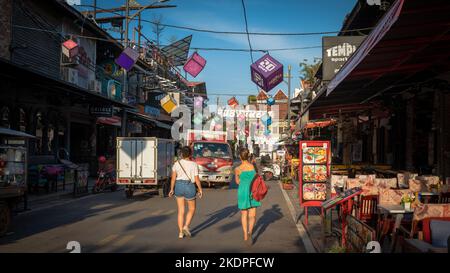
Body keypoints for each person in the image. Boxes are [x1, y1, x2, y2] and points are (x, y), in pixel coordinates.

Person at [169, 146, 203, 239]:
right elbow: (196, 179)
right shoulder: (194, 164)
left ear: (181, 154)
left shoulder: (176, 164)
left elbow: (173, 179)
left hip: (178, 186)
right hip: (189, 186)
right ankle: (186, 226)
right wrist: (200, 189)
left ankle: (180, 233)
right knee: (192, 209)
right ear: (190, 154)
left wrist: (171, 189)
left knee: (181, 211)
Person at [234, 148, 261, 246]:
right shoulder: (253, 166)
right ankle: (250, 232)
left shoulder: (237, 169)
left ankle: (245, 234)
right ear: (248, 156)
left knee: (244, 214)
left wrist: (242, 179)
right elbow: (257, 177)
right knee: (252, 214)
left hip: (243, 191)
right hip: (253, 191)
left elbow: (237, 182)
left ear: (240, 157)